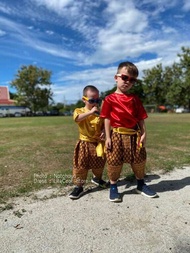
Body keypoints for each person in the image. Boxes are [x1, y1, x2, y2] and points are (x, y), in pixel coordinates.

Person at [100, 61, 158, 202]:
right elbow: (107, 119)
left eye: (132, 80)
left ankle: (141, 184)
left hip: (134, 135)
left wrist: (144, 133)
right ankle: (113, 187)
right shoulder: (109, 99)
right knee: (114, 161)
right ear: (116, 77)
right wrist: (107, 137)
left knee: (139, 160)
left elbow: (140, 118)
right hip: (117, 135)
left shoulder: (134, 99)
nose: (128, 82)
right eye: (125, 77)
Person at [69, 85, 107, 199]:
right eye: (92, 100)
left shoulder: (101, 112)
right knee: (81, 165)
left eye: (97, 100)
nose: (95, 102)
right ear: (84, 99)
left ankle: (97, 178)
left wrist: (104, 131)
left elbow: (106, 123)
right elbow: (77, 118)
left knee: (99, 164)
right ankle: (79, 186)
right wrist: (90, 112)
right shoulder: (79, 110)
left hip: (98, 143)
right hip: (84, 143)